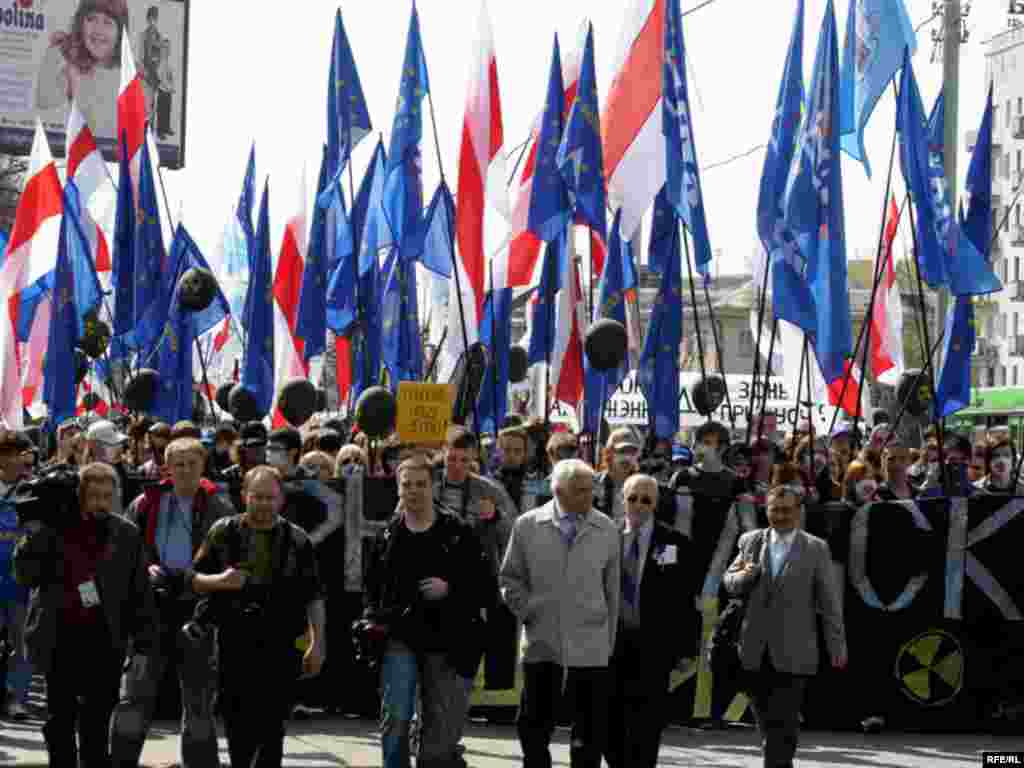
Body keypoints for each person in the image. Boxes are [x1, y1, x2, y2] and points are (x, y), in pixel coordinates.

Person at [14, 462, 159, 768]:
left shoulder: (126, 533)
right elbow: (26, 576)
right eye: (94, 496)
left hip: (105, 640)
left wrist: (143, 644)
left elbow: (140, 593)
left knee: (96, 724)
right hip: (60, 638)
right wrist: (35, 533)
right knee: (59, 722)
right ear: (79, 496)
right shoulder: (54, 529)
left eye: (107, 496)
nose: (101, 504)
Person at [190, 466, 326, 768]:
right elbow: (194, 579)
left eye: (269, 497)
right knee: (238, 727)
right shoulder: (223, 532)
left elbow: (314, 596)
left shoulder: (297, 540)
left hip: (282, 645)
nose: (263, 503)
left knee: (272, 729)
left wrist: (318, 644)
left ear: (281, 499)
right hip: (234, 643)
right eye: (257, 496)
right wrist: (221, 581)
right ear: (244, 496)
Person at [110, 438, 234, 768]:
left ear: (202, 466)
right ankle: (120, 762)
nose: (185, 470)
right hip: (150, 609)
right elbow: (124, 549)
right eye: (178, 464)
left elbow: (229, 556)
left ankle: (200, 763)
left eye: (192, 464)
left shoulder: (219, 507)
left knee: (198, 699)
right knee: (135, 695)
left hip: (198, 610)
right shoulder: (145, 503)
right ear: (167, 467)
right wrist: (145, 568)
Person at [364, 455, 488, 768]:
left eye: (421, 484)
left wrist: (451, 589)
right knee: (396, 716)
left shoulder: (457, 531)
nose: (414, 491)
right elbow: (372, 588)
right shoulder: (387, 536)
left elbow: (484, 585)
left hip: (447, 639)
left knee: (438, 732)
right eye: (407, 485)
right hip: (400, 637)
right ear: (398, 489)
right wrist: (373, 621)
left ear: (432, 487)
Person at [500, 459, 621, 768]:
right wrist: (529, 610)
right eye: (580, 491)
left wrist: (607, 643)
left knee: (589, 732)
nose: (588, 496)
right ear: (558, 491)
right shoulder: (527, 525)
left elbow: (612, 590)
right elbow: (510, 579)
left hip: (590, 646)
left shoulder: (606, 528)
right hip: (542, 642)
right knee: (534, 726)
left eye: (590, 489)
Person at [724, 469, 847, 768]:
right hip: (754, 650)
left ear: (799, 512)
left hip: (794, 652)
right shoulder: (750, 541)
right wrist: (745, 576)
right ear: (766, 510)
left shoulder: (815, 548)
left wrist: (837, 646)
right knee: (767, 725)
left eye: (786, 510)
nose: (780, 516)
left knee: (784, 725)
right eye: (774, 510)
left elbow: (829, 603)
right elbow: (729, 582)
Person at [604, 474, 696, 768]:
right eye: (633, 498)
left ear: (655, 504)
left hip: (653, 645)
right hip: (609, 643)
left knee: (646, 724)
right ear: (622, 499)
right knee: (609, 721)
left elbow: (685, 600)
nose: (639, 505)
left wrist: (687, 648)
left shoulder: (675, 542)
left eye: (646, 500)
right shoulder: (604, 536)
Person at [35, 0, 128, 138]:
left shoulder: (129, 76)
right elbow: (43, 103)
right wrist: (54, 55)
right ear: (81, 23)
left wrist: (77, 91)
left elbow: (105, 133)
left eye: (108, 22)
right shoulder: (69, 61)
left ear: (120, 32)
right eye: (91, 19)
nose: (98, 30)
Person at [0, 431, 33, 720]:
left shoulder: (33, 491)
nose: (23, 459)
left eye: (25, 453)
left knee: (21, 643)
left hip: (21, 582)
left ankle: (17, 698)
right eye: (17, 453)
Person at [594, 428, 641, 521]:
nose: (627, 457)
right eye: (622, 451)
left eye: (632, 452)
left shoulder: (643, 486)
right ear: (608, 453)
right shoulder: (592, 483)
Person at [156, 37, 176, 139]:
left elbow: (170, 76)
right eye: (165, 47)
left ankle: (166, 128)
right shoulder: (161, 61)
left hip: (168, 90)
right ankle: (160, 132)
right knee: (162, 112)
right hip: (163, 90)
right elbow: (160, 77)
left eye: (168, 47)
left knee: (168, 110)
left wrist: (172, 86)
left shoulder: (168, 61)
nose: (167, 50)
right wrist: (168, 87)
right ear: (162, 49)